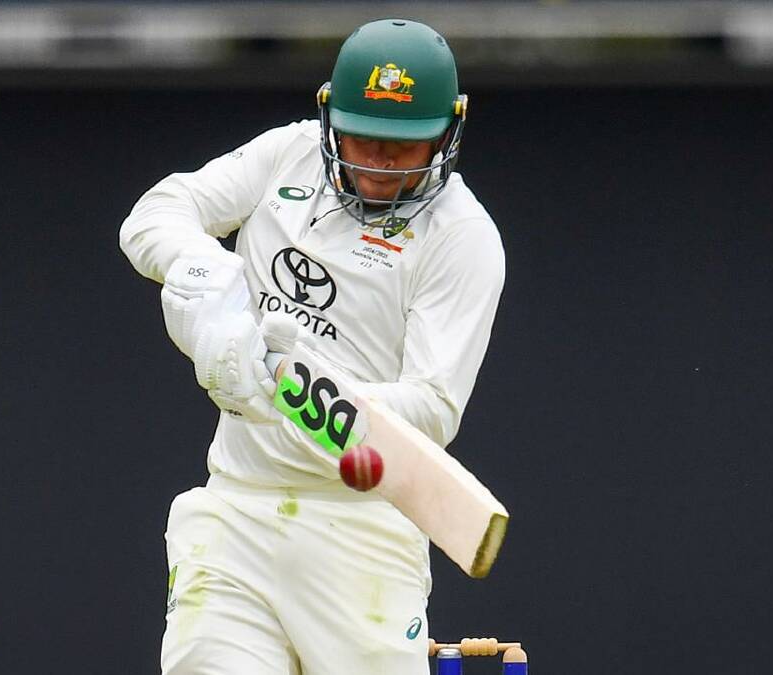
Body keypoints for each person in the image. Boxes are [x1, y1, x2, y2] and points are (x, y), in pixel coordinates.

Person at [120, 18, 505, 675]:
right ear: (329, 115)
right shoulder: (288, 156)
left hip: (362, 534)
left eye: (404, 146)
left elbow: (433, 407)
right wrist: (211, 282)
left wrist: (301, 396)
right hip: (237, 507)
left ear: (449, 133)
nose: (381, 162)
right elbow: (156, 212)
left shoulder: (463, 236)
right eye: (365, 137)